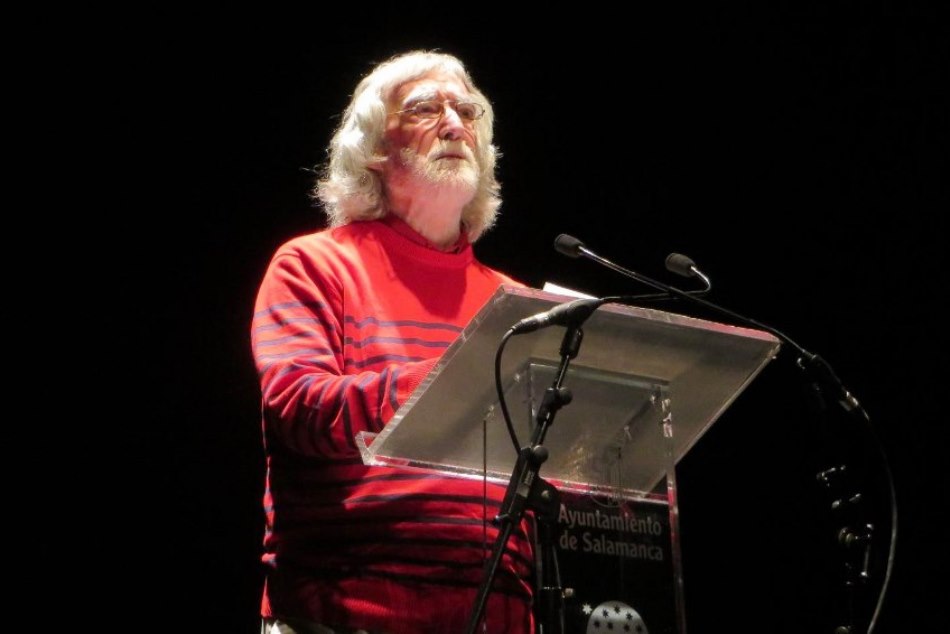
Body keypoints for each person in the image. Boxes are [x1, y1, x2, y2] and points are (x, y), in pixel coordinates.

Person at [251, 51, 535, 634]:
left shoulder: (517, 305)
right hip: (343, 610)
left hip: (497, 615)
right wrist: (452, 380)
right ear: (375, 149)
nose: (456, 125)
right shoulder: (313, 264)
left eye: (467, 110)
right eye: (426, 108)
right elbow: (298, 410)